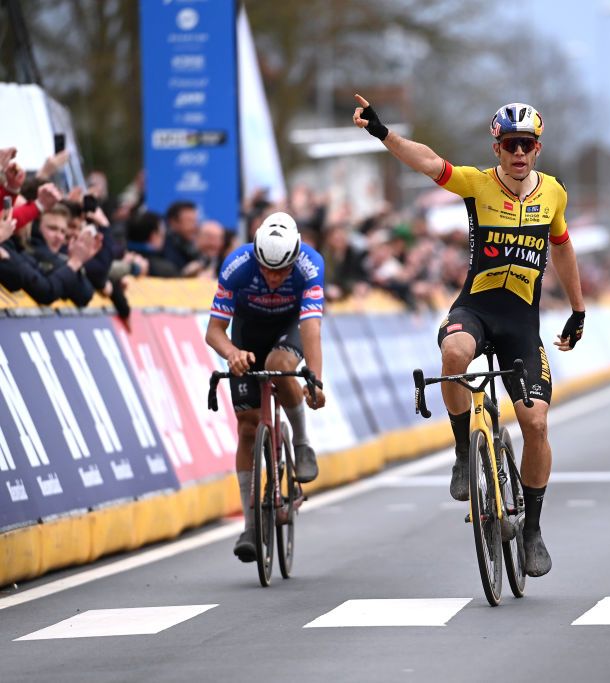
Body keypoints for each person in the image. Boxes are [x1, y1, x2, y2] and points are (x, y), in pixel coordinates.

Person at [353, 96, 586, 577]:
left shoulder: (554, 194)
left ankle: (533, 529)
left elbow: (562, 250)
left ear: (537, 149)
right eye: (509, 145)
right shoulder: (477, 184)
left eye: (526, 145)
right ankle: (464, 451)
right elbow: (429, 162)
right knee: (454, 353)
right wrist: (383, 133)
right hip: (476, 308)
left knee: (536, 425)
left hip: (522, 322)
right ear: (497, 147)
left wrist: (578, 310)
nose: (518, 153)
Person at [204, 211, 327, 562]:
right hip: (248, 331)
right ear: (256, 256)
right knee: (246, 429)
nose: (273, 278)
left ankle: (301, 442)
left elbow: (312, 330)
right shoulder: (237, 265)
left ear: (295, 258)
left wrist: (315, 381)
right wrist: (231, 354)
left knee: (280, 366)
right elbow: (214, 331)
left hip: (289, 327)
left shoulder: (310, 265)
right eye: (267, 269)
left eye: (281, 271)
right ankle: (250, 524)